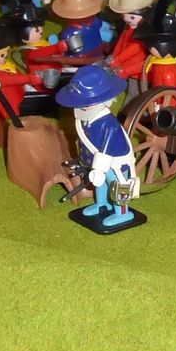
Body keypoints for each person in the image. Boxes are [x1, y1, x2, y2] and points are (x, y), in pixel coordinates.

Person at [55, 65, 141, 231]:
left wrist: (99, 169)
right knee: (100, 185)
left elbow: (106, 149)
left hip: (115, 164)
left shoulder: (109, 124)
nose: (83, 105)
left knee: (118, 187)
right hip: (95, 163)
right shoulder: (84, 119)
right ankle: (102, 204)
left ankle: (122, 213)